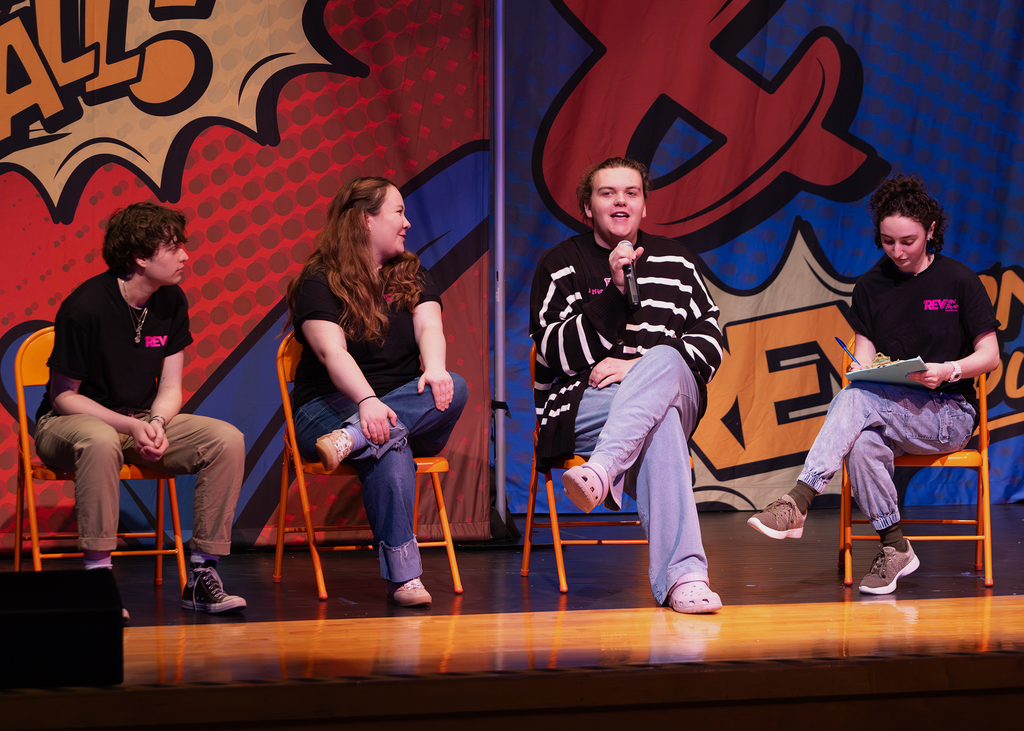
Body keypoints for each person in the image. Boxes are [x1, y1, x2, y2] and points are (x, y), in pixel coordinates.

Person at [747, 174, 999, 594]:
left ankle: (799, 499)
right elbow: (861, 361)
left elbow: (989, 355)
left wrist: (949, 369)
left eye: (908, 241)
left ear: (931, 231)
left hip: (948, 416)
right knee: (861, 437)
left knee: (859, 399)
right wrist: (864, 371)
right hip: (890, 411)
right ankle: (895, 546)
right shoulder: (870, 286)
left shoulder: (958, 280)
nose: (897, 252)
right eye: (887, 241)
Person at [529, 157, 724, 614]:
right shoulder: (560, 265)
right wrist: (615, 295)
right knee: (661, 428)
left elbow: (711, 338)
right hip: (585, 404)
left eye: (631, 193)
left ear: (644, 206)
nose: (620, 200)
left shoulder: (678, 261)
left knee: (664, 361)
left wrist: (637, 367)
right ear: (587, 208)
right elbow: (553, 353)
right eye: (607, 193)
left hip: (673, 391)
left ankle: (602, 470)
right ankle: (686, 579)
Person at [34, 202, 247, 616]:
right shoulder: (86, 307)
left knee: (225, 439)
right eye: (174, 247)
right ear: (140, 257)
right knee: (98, 441)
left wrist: (156, 422)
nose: (185, 255)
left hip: (137, 421)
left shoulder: (170, 302)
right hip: (70, 423)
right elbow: (65, 396)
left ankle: (203, 574)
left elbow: (170, 385)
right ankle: (97, 578)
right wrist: (130, 427)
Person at [285, 176, 467, 608]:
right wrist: (367, 403)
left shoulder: (410, 271)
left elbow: (429, 325)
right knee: (389, 441)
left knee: (454, 385)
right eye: (398, 212)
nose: (407, 223)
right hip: (327, 408)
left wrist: (436, 368)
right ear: (366, 220)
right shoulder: (319, 279)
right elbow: (332, 353)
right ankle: (405, 578)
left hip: (399, 410)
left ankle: (357, 437)